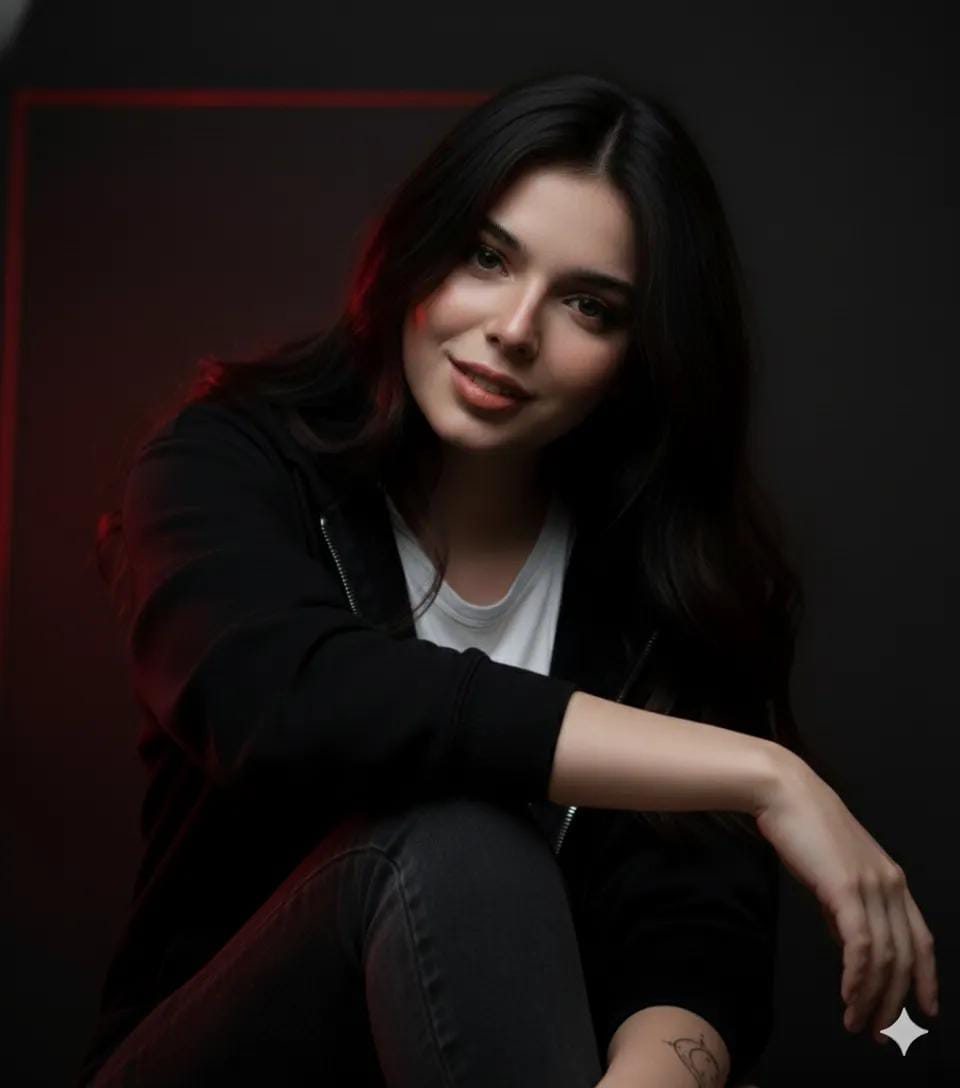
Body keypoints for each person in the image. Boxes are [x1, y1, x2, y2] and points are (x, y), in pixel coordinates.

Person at [78, 71, 938, 1088]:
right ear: (416, 247)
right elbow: (284, 698)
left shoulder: (664, 591)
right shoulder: (225, 463)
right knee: (460, 838)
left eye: (590, 304)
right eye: (487, 256)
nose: (516, 326)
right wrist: (765, 770)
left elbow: (692, 938)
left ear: (640, 355)